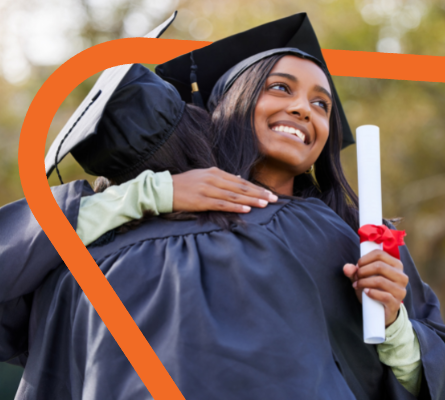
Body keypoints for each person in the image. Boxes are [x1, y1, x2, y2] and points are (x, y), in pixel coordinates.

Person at [1, 13, 444, 400]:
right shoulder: (122, 229)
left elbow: (422, 373)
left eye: (321, 104)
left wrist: (393, 328)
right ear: (231, 103)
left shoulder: (358, 241)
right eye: (279, 87)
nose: (303, 109)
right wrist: (150, 195)